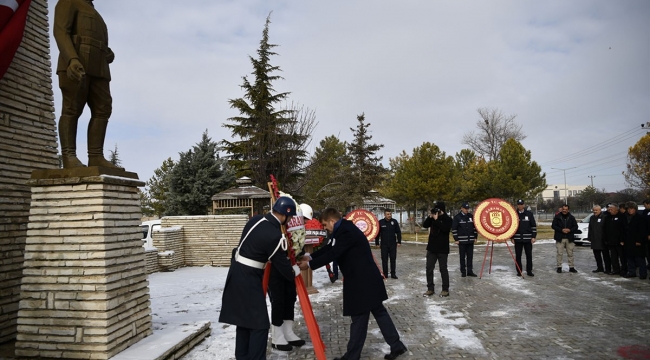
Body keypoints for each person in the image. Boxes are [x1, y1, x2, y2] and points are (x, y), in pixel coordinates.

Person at [298, 208, 408, 360]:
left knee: (359, 318)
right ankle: (397, 345)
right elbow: (330, 248)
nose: (324, 228)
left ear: (332, 221)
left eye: (324, 225)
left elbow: (334, 253)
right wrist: (310, 257)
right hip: (366, 279)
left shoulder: (346, 231)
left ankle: (352, 356)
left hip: (361, 282)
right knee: (378, 312)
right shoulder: (342, 229)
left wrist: (310, 266)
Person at [219, 196, 302, 360]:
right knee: (260, 326)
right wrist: (296, 270)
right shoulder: (274, 235)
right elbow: (285, 271)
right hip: (248, 279)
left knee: (244, 321)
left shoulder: (255, 220)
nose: (290, 220)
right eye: (290, 217)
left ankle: (242, 356)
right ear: (284, 215)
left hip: (235, 272)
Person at [53, 0, 121, 169]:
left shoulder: (94, 12)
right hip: (77, 62)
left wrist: (107, 52)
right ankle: (69, 156)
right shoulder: (68, 2)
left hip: (99, 67)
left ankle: (96, 156)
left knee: (103, 109)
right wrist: (72, 59)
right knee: (72, 108)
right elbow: (61, 32)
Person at [266, 202, 308, 351]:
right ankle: (277, 336)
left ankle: (287, 332)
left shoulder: (282, 227)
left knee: (290, 298)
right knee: (278, 301)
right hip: (275, 271)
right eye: (289, 217)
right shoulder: (271, 227)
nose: (291, 220)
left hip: (287, 267)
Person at [422, 201, 452, 297]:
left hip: (442, 249)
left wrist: (436, 220)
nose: (437, 211)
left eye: (438, 209)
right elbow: (425, 225)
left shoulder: (448, 219)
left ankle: (445, 289)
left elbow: (445, 229)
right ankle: (430, 288)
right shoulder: (433, 218)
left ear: (442, 210)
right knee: (429, 269)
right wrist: (430, 217)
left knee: (443, 269)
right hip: (431, 248)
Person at [511, 199, 537, 277]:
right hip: (518, 239)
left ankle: (529, 271)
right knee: (518, 256)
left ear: (524, 205)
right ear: (517, 205)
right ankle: (519, 271)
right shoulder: (514, 214)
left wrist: (533, 236)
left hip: (528, 239)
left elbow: (533, 226)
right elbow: (511, 227)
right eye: (518, 204)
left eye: (521, 204)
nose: (520, 206)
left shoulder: (529, 214)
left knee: (529, 255)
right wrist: (512, 237)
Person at [622, 201, 648, 279]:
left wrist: (639, 240)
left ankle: (643, 274)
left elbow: (642, 231)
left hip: (637, 242)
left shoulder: (640, 218)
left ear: (635, 209)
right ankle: (631, 272)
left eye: (631, 209)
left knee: (639, 259)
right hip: (628, 241)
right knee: (630, 258)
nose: (630, 210)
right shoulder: (625, 217)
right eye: (628, 209)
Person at [451, 202, 478, 277]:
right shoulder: (457, 217)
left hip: (470, 240)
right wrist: (456, 239)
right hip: (462, 241)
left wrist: (475, 237)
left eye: (467, 208)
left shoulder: (471, 216)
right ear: (461, 208)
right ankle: (463, 271)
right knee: (462, 257)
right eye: (465, 208)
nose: (467, 210)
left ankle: (470, 271)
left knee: (470, 256)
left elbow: (475, 227)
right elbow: (454, 229)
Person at [552, 204, 579, 273]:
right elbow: (553, 226)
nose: (564, 211)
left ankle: (571, 267)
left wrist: (570, 230)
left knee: (570, 253)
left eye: (566, 209)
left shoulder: (572, 217)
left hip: (569, 238)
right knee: (559, 253)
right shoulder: (557, 217)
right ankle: (559, 267)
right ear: (562, 209)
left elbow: (575, 226)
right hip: (560, 237)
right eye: (563, 209)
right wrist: (561, 230)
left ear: (568, 210)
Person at [375, 210, 402, 279]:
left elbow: (398, 232)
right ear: (385, 215)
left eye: (390, 214)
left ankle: (393, 274)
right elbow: (377, 233)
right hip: (384, 245)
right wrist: (377, 243)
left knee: (393, 259)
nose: (389, 215)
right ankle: (385, 274)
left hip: (393, 244)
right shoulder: (381, 222)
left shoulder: (394, 222)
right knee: (384, 260)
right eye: (387, 214)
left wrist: (399, 241)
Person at [603, 204, 625, 276]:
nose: (610, 211)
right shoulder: (608, 218)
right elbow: (605, 229)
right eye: (609, 210)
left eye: (611, 209)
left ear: (616, 209)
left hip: (619, 241)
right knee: (613, 257)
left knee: (622, 257)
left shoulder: (621, 217)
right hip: (611, 241)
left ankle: (624, 270)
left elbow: (623, 229)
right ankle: (616, 269)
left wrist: (622, 240)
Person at [588, 205, 610, 273]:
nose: (595, 211)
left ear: (600, 210)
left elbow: (607, 229)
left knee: (605, 256)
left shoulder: (605, 217)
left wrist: (606, 239)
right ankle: (600, 268)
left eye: (596, 210)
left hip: (602, 240)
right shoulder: (592, 218)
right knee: (597, 255)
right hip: (594, 239)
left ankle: (608, 269)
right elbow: (590, 228)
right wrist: (589, 237)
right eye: (594, 210)